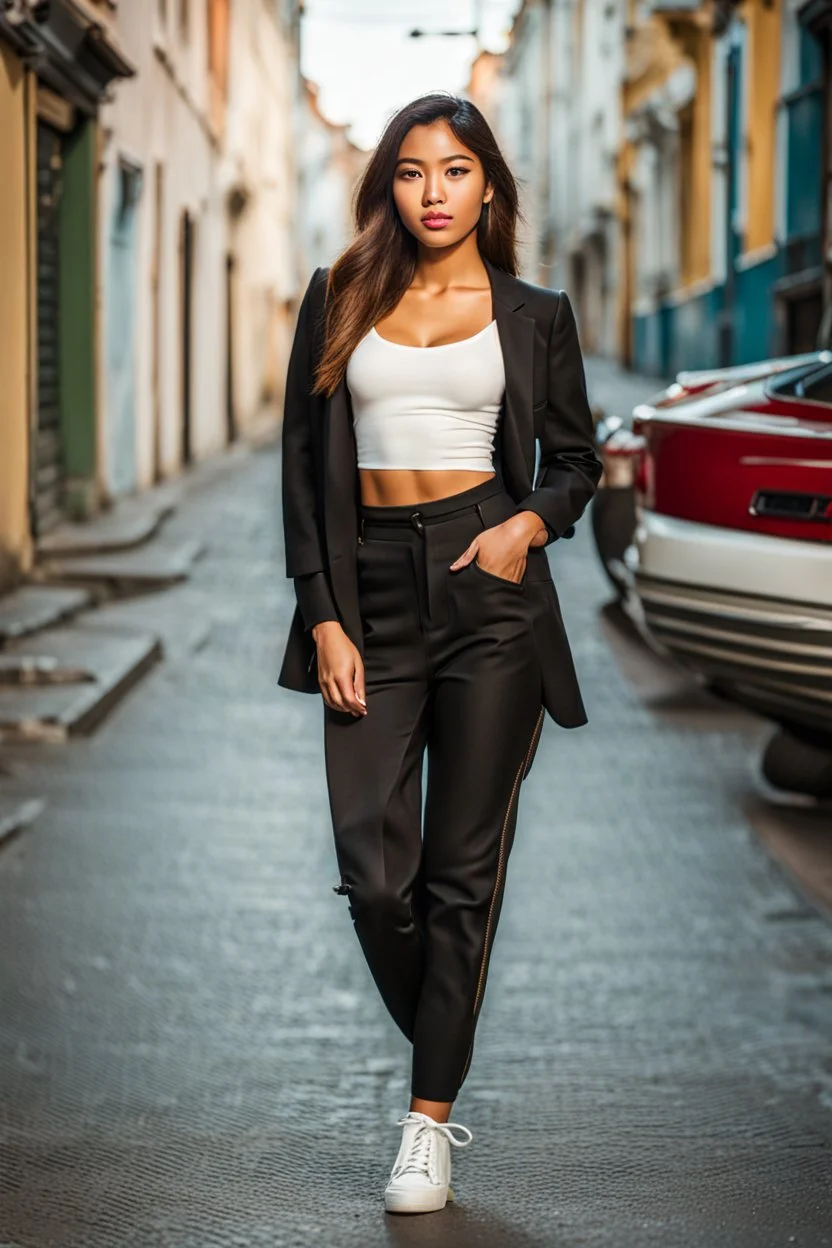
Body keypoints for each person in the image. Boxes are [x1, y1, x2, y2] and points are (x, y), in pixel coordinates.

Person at [277, 91, 602, 1215]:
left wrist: (524, 526)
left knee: (462, 875)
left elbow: (574, 461)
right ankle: (445, 1038)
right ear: (389, 184)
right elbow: (299, 463)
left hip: (488, 590)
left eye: (455, 171)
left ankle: (425, 1123)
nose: (433, 191)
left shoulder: (533, 312)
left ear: (488, 188)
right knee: (374, 871)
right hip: (367, 588)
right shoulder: (339, 297)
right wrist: (323, 610)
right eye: (413, 171)